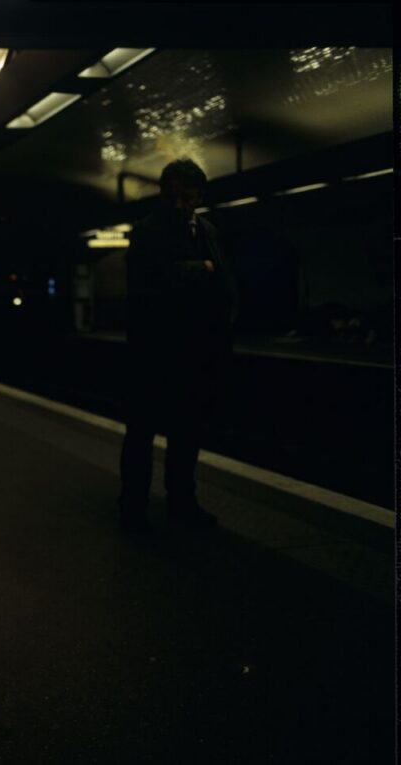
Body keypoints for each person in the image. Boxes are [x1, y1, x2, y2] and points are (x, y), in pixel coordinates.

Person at [118, 158, 239, 532]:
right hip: (153, 351)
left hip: (196, 351)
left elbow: (223, 279)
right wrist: (199, 270)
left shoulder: (208, 230)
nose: (178, 205)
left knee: (187, 433)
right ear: (162, 193)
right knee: (142, 432)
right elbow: (147, 283)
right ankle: (133, 505)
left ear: (199, 196)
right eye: (172, 197)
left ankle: (182, 503)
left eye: (186, 198)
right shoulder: (146, 231)